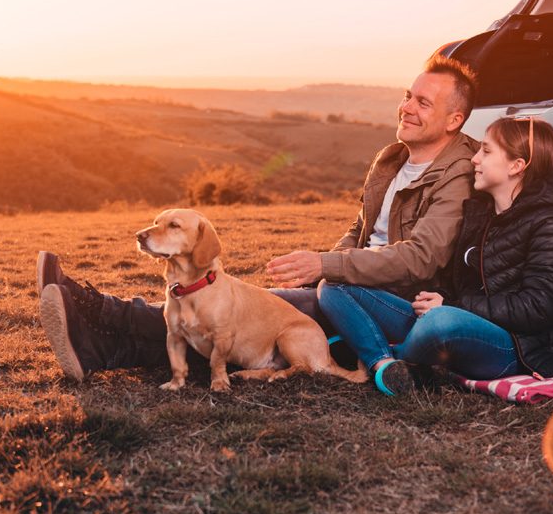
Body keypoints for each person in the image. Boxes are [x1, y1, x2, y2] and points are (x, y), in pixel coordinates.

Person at [37, 54, 481, 381]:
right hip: (348, 285)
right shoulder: (393, 159)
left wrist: (327, 267)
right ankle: (102, 338)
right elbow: (361, 231)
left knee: (237, 317)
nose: (407, 107)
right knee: (234, 314)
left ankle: (101, 318)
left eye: (424, 103)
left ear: (453, 119)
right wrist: (328, 262)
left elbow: (422, 257)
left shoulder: (458, 174)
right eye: (408, 95)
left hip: (390, 301)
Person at [317, 116, 553, 396]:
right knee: (333, 284)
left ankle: (370, 348)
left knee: (441, 322)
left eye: (486, 151)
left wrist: (453, 306)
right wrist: (433, 299)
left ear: (516, 165)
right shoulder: (480, 212)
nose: (474, 159)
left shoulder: (551, 224)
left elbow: (537, 307)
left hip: (519, 347)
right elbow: (456, 280)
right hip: (457, 320)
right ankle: (385, 363)